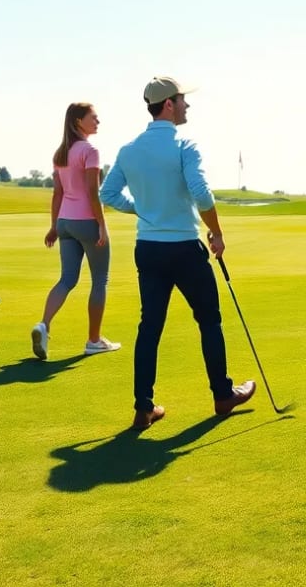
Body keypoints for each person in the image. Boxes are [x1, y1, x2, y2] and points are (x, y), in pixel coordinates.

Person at [99, 76, 255, 430]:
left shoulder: (128, 150)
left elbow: (107, 194)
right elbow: (201, 193)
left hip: (148, 249)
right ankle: (223, 395)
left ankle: (143, 408)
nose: (187, 105)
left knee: (150, 326)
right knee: (209, 320)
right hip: (185, 248)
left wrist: (142, 210)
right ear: (168, 104)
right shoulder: (185, 144)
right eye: (182, 99)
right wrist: (216, 232)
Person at [31, 102, 121, 360]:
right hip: (86, 221)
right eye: (93, 117)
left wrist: (53, 226)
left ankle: (43, 325)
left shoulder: (61, 153)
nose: (98, 122)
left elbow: (57, 193)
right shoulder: (90, 151)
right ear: (78, 121)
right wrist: (101, 225)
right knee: (100, 280)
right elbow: (93, 192)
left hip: (65, 222)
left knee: (67, 279)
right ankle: (94, 340)